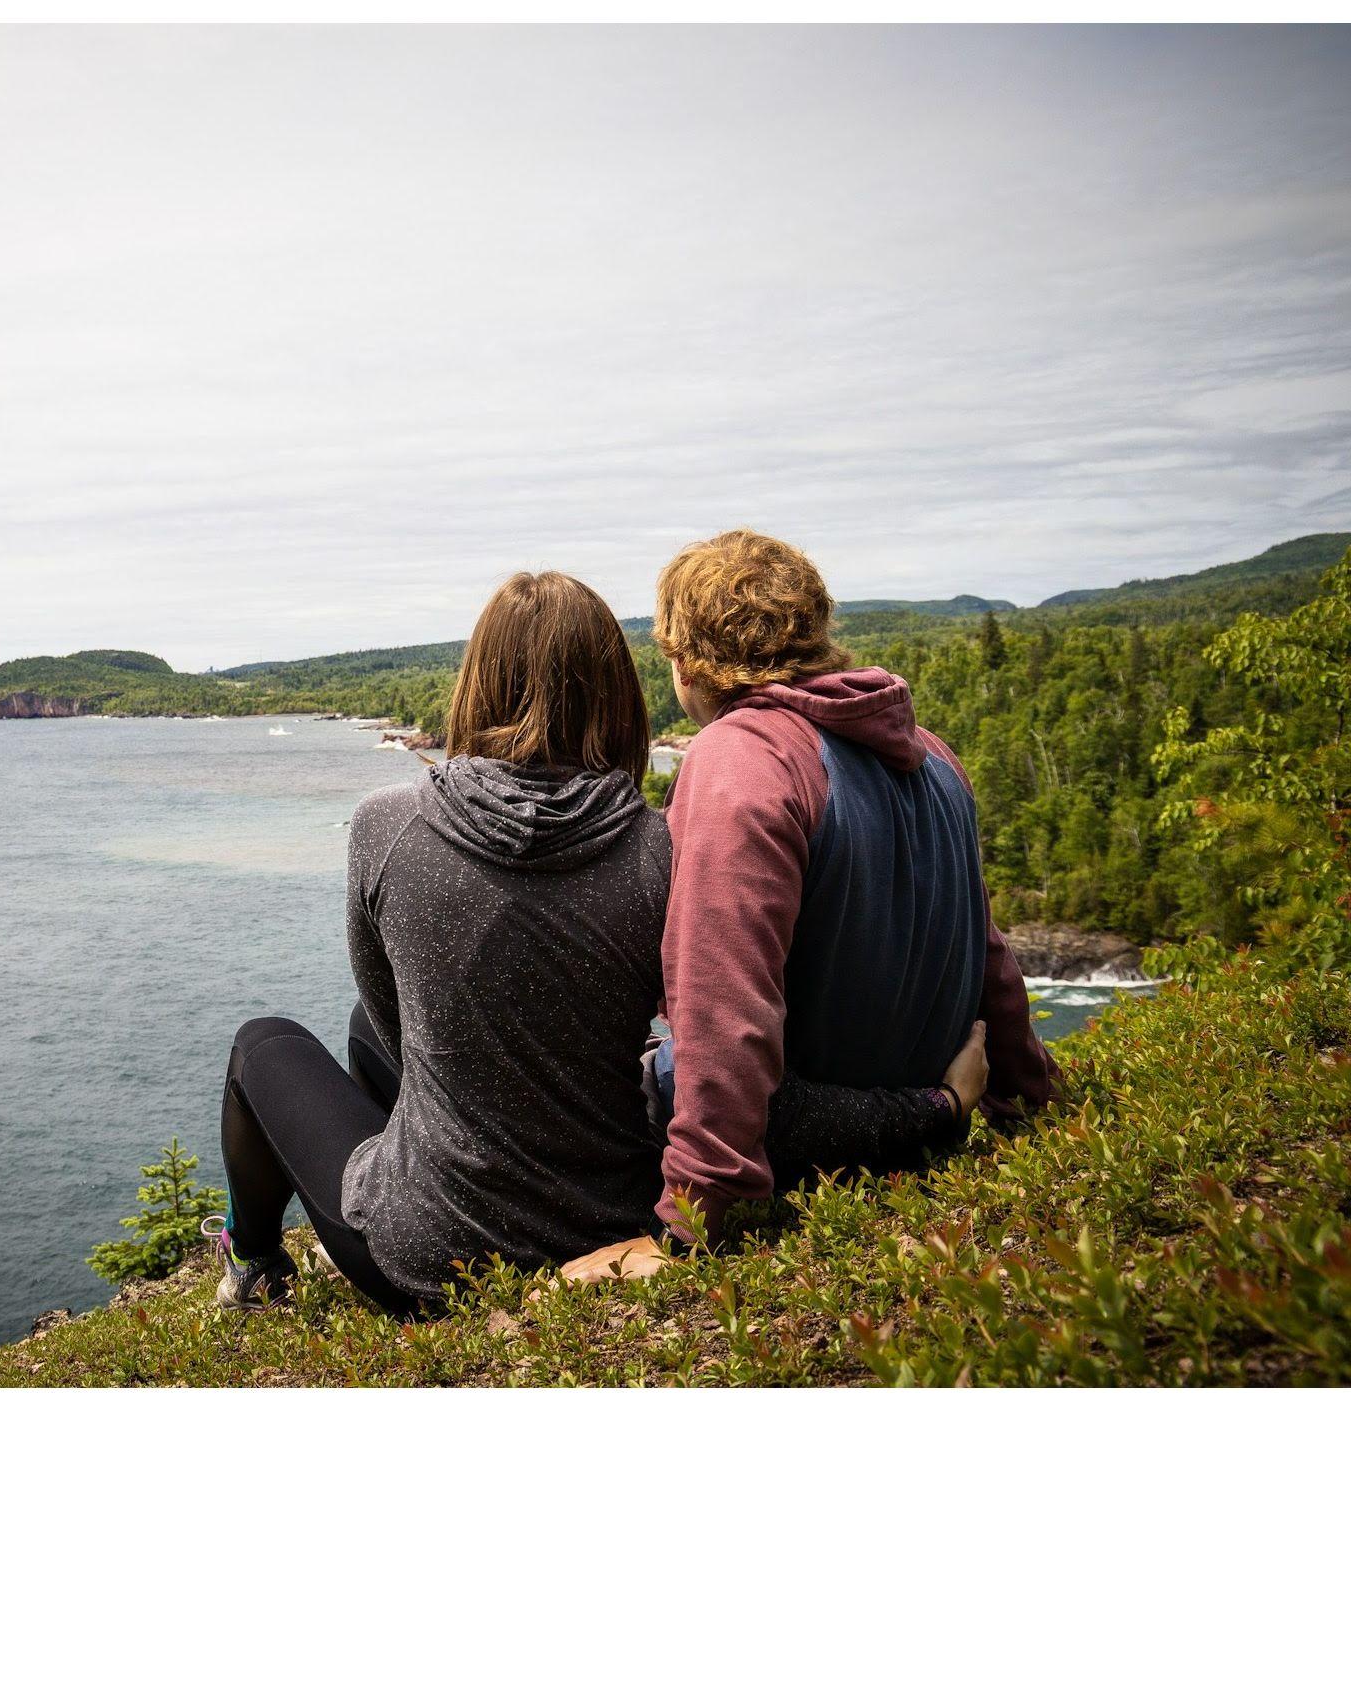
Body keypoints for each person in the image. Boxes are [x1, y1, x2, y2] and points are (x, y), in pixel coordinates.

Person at [215, 569, 987, 1313]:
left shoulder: (386, 825)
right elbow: (722, 1057)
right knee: (368, 1031)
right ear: (617, 694)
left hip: (426, 1257)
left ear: (475, 682)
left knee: (261, 1045)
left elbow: (397, 1018)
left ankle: (253, 1263)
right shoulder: (662, 849)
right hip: (613, 1218)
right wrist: (934, 1104)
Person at [566, 529, 1058, 1284]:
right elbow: (987, 954)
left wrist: (693, 1226)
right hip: (919, 1127)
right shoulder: (931, 754)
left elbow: (725, 1006)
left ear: (689, 660)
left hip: (811, 1145)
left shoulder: (741, 758)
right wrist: (1031, 1098)